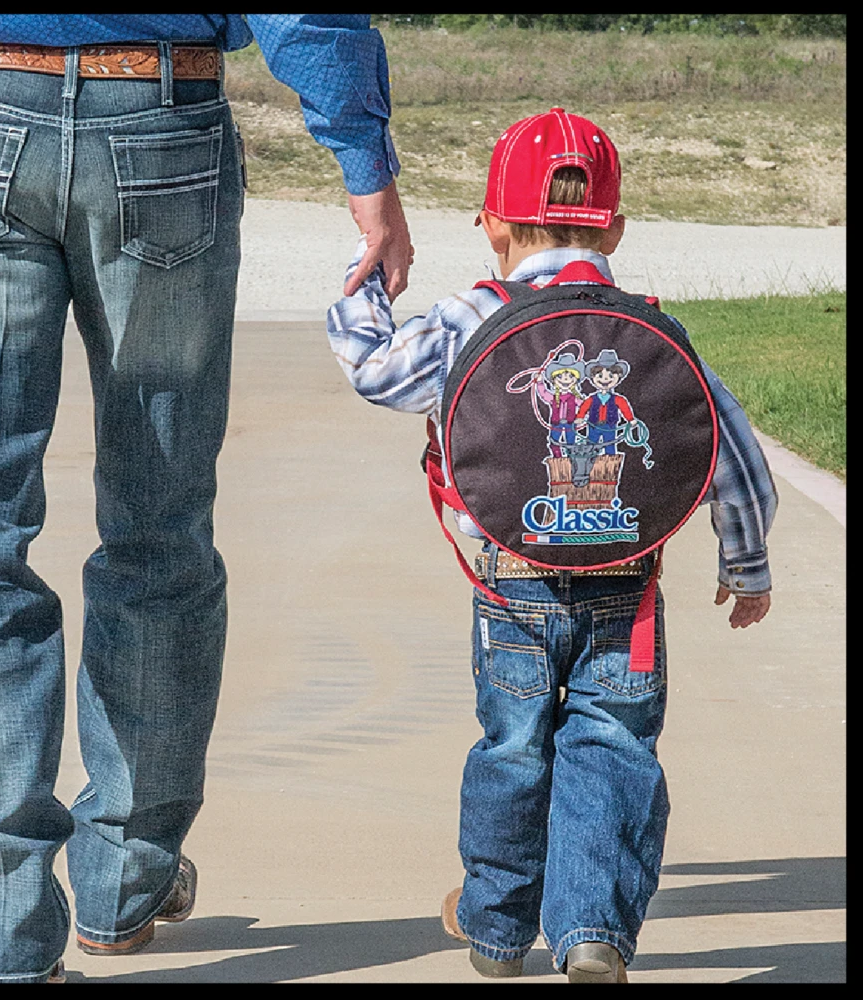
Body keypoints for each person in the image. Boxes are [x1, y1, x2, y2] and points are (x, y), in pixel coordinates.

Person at [0, 14, 412, 984]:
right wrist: (362, 156)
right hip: (156, 121)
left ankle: (4, 928)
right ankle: (124, 876)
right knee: (158, 527)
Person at [326, 107, 776, 982]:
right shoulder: (648, 325)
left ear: (492, 221)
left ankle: (496, 931)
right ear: (613, 224)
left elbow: (377, 373)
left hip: (509, 583)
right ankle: (593, 931)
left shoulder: (473, 315)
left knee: (511, 746)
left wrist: (362, 288)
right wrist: (745, 563)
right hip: (627, 586)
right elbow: (734, 452)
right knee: (611, 744)